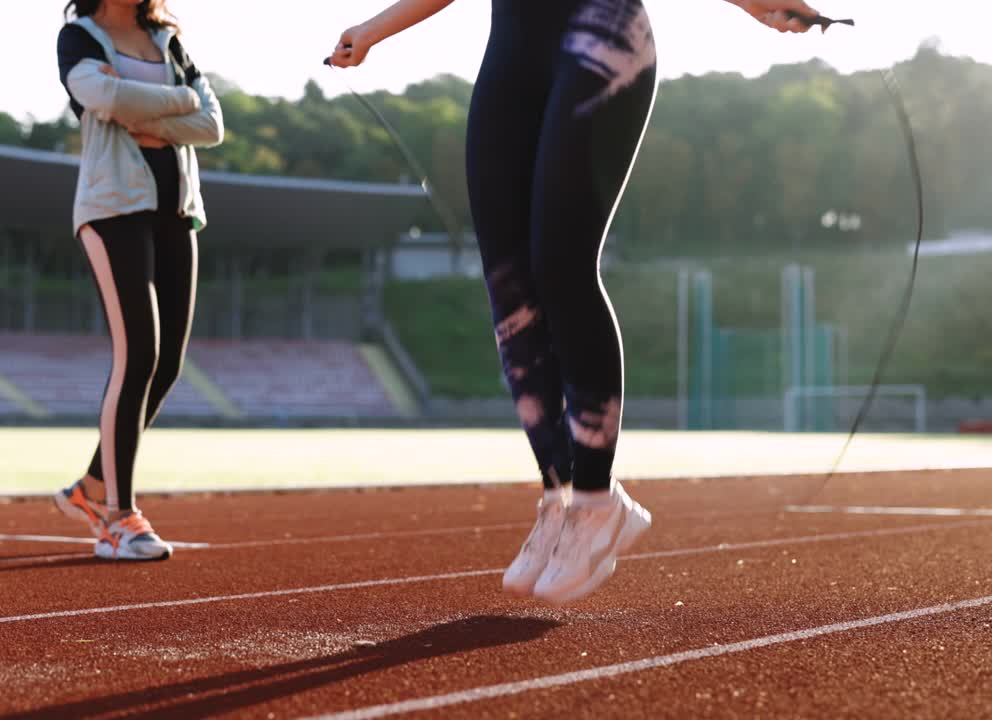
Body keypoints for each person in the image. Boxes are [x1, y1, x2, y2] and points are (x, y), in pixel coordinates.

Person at [328, 0, 821, 602]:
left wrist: (757, 4)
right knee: (510, 287)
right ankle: (559, 496)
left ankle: (595, 498)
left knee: (561, 264)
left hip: (601, 33)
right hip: (512, 51)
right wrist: (374, 30)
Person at [54, 0, 223, 561]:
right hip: (112, 207)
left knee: (168, 362)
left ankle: (90, 486)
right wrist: (178, 103)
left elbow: (212, 124)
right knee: (138, 355)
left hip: (176, 208)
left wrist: (137, 109)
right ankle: (117, 518)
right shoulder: (79, 38)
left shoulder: (167, 40)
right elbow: (101, 98)